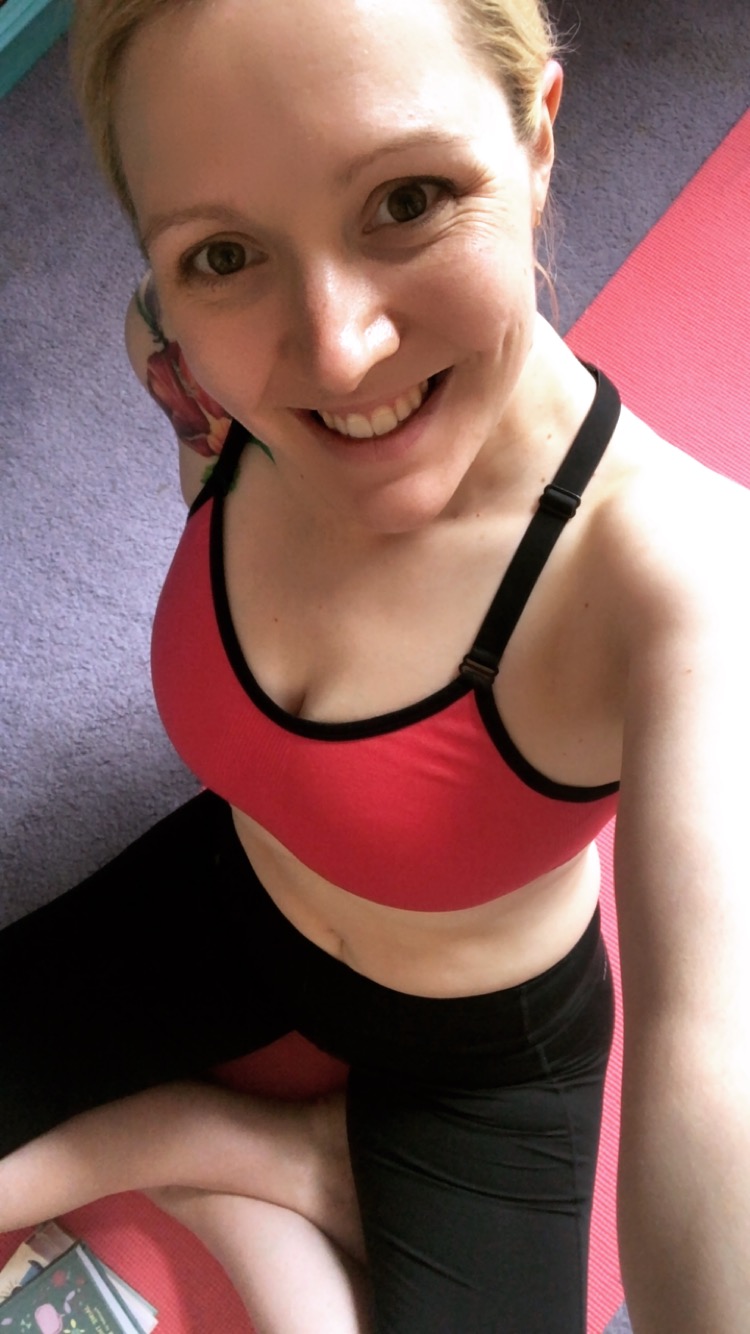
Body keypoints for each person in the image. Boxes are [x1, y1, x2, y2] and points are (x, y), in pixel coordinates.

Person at [1, 0, 749, 1330]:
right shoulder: (187, 363)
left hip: (477, 1050)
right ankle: (251, 1156)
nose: (340, 352)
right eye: (225, 252)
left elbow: (716, 1071)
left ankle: (238, 1159)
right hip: (232, 896)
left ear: (536, 139)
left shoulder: (683, 575)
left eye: (407, 200)